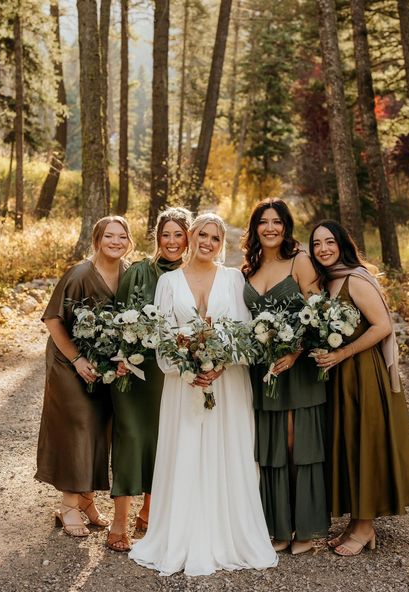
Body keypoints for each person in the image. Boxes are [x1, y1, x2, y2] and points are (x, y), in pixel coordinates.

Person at [129, 213, 278, 576]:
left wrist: (220, 365)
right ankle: (179, 535)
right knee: (186, 452)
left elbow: (245, 333)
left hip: (226, 385)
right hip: (184, 387)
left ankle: (229, 534)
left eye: (215, 237)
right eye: (202, 235)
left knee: (226, 451)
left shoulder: (232, 279)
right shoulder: (167, 281)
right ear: (191, 236)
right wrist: (186, 367)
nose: (208, 242)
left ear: (221, 242)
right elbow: (160, 339)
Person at [309, 219, 409, 556]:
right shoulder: (326, 283)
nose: (323, 249)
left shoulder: (355, 280)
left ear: (342, 244)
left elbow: (382, 326)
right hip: (337, 376)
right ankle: (355, 522)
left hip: (361, 373)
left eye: (329, 242)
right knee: (347, 442)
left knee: (364, 443)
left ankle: (365, 527)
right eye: (316, 244)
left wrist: (342, 353)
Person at [35, 216, 133, 537]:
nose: (115, 242)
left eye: (121, 236)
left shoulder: (129, 273)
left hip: (105, 367)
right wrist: (76, 358)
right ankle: (67, 506)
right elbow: (52, 320)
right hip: (69, 364)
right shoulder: (79, 274)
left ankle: (87, 502)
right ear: (97, 240)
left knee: (99, 428)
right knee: (78, 427)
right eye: (109, 236)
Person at [242, 198, 330, 554]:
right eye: (263, 222)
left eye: (277, 222)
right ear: (255, 228)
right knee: (272, 447)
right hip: (263, 371)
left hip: (297, 368)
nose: (270, 228)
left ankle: (305, 532)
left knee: (298, 446)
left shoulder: (300, 261)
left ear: (286, 226)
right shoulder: (248, 268)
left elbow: (319, 314)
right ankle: (278, 528)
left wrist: (295, 351)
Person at [107, 207, 192, 552]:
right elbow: (117, 318)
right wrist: (120, 358)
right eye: (165, 234)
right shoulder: (139, 272)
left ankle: (150, 512)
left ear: (189, 237)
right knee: (129, 438)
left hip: (170, 375)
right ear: (157, 237)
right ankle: (118, 522)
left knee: (163, 441)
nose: (171, 241)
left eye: (178, 234)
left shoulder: (192, 276)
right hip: (135, 371)